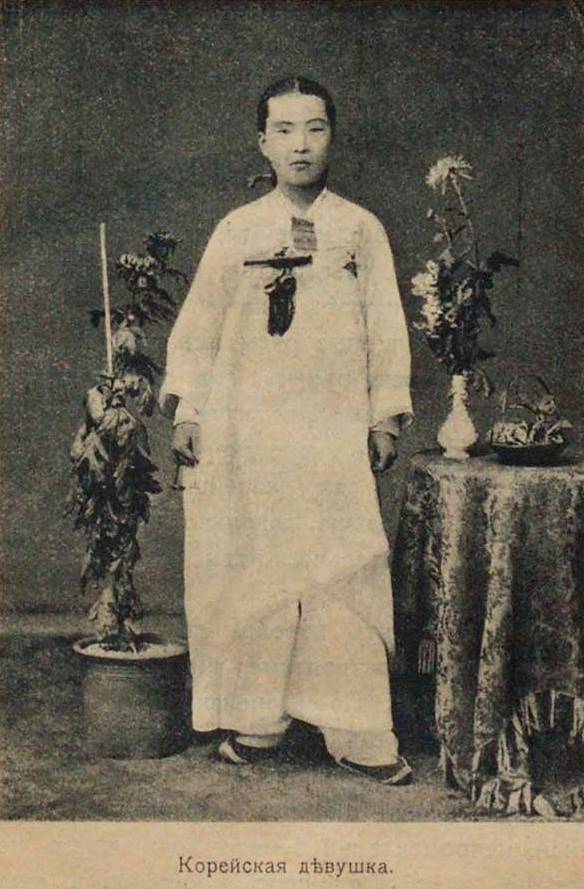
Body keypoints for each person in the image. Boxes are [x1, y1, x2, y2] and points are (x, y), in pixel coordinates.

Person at [160, 76, 414, 785]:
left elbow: (386, 326)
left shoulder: (359, 229)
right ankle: (260, 719)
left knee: (339, 567)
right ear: (263, 142)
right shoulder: (238, 229)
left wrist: (384, 415)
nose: (300, 144)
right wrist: (189, 411)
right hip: (250, 431)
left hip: (330, 431)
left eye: (315, 128)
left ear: (333, 136)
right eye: (285, 130)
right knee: (257, 568)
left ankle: (358, 730)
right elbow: (200, 327)